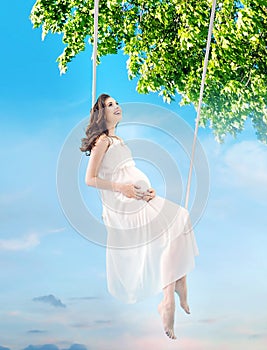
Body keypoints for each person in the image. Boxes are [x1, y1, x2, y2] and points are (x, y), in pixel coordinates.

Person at [80, 93, 199, 339]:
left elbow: (129, 171)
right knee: (175, 223)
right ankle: (169, 299)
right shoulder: (102, 141)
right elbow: (90, 179)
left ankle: (179, 282)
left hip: (141, 198)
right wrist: (123, 188)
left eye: (116, 103)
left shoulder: (119, 140)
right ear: (101, 114)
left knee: (181, 219)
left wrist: (147, 188)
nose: (116, 107)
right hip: (124, 205)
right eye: (109, 105)